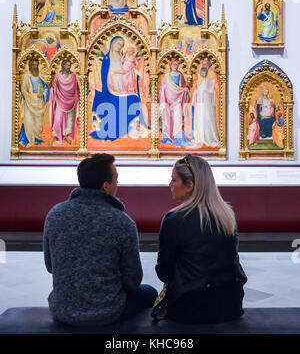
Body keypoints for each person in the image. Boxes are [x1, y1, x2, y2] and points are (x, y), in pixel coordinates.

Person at [43, 153, 158, 326]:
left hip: (63, 309)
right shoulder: (121, 222)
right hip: (107, 312)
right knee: (150, 293)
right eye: (116, 179)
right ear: (106, 186)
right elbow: (133, 281)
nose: (118, 184)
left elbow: (50, 266)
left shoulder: (55, 214)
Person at [155, 155, 247, 324]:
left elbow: (164, 273)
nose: (170, 185)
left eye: (174, 180)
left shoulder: (174, 220)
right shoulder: (227, 216)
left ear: (189, 185)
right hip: (229, 305)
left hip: (191, 307)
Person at [90, 36, 147, 141]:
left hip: (122, 87)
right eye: (117, 44)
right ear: (112, 44)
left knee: (134, 99)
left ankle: (124, 130)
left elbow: (128, 69)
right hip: (110, 89)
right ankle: (115, 130)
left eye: (121, 45)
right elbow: (104, 74)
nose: (119, 46)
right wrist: (110, 85)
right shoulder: (107, 58)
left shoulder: (121, 57)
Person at [158, 58, 191, 147]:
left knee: (177, 117)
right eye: (173, 64)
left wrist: (185, 90)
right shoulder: (167, 76)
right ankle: (167, 136)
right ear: (170, 65)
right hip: (168, 100)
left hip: (178, 100)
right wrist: (163, 90)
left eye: (176, 64)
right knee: (166, 116)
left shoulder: (180, 75)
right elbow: (162, 87)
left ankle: (178, 136)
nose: (175, 66)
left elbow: (183, 86)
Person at [18, 58, 49, 147]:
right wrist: (30, 96)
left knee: (38, 123)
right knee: (29, 122)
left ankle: (36, 139)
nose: (35, 66)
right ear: (30, 66)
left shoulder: (41, 76)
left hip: (39, 102)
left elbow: (45, 87)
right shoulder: (27, 76)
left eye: (36, 64)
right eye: (34, 64)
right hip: (29, 102)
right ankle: (27, 140)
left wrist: (43, 94)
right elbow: (23, 89)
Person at [49, 59, 80, 146]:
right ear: (63, 65)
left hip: (71, 101)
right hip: (60, 100)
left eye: (69, 65)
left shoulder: (73, 76)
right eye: (67, 65)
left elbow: (76, 88)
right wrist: (52, 89)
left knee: (70, 120)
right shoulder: (58, 76)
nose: (68, 66)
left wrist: (77, 97)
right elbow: (55, 86)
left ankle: (66, 135)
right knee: (58, 119)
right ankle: (55, 136)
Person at [191, 57, 220, 147]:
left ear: (208, 65)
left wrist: (208, 90)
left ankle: (209, 138)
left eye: (205, 64)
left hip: (207, 102)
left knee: (207, 119)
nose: (203, 65)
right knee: (199, 118)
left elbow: (215, 89)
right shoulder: (200, 73)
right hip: (200, 101)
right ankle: (199, 138)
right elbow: (197, 86)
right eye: (202, 64)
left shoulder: (211, 74)